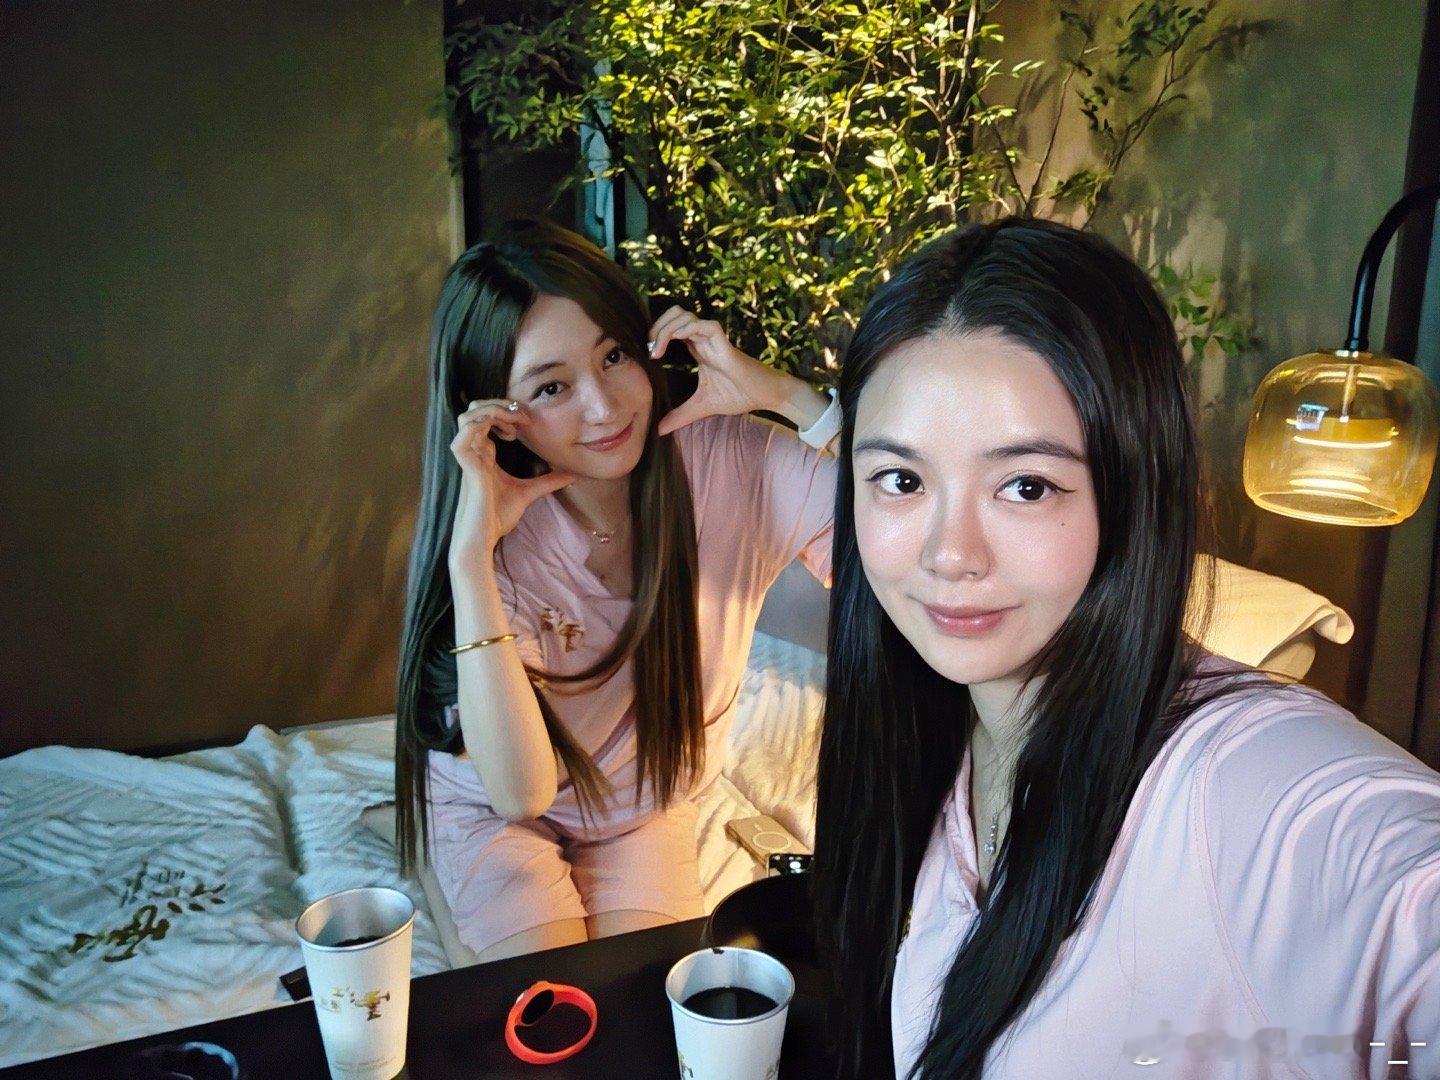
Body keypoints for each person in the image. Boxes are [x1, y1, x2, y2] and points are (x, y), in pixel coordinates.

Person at [812, 218, 1440, 1079]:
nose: (949, 555)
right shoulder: (940, 739)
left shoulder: (1237, 789)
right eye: (902, 480)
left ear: (1132, 493)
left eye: (1026, 486)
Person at [394, 218, 838, 962]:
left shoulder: (732, 461)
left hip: (644, 804)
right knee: (548, 994)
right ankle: (429, 864)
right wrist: (468, 561)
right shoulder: (495, 531)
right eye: (552, 387)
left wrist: (790, 396)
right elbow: (519, 793)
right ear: (497, 415)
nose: (604, 407)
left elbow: (913, 542)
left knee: (641, 996)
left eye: (614, 356)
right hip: (495, 805)